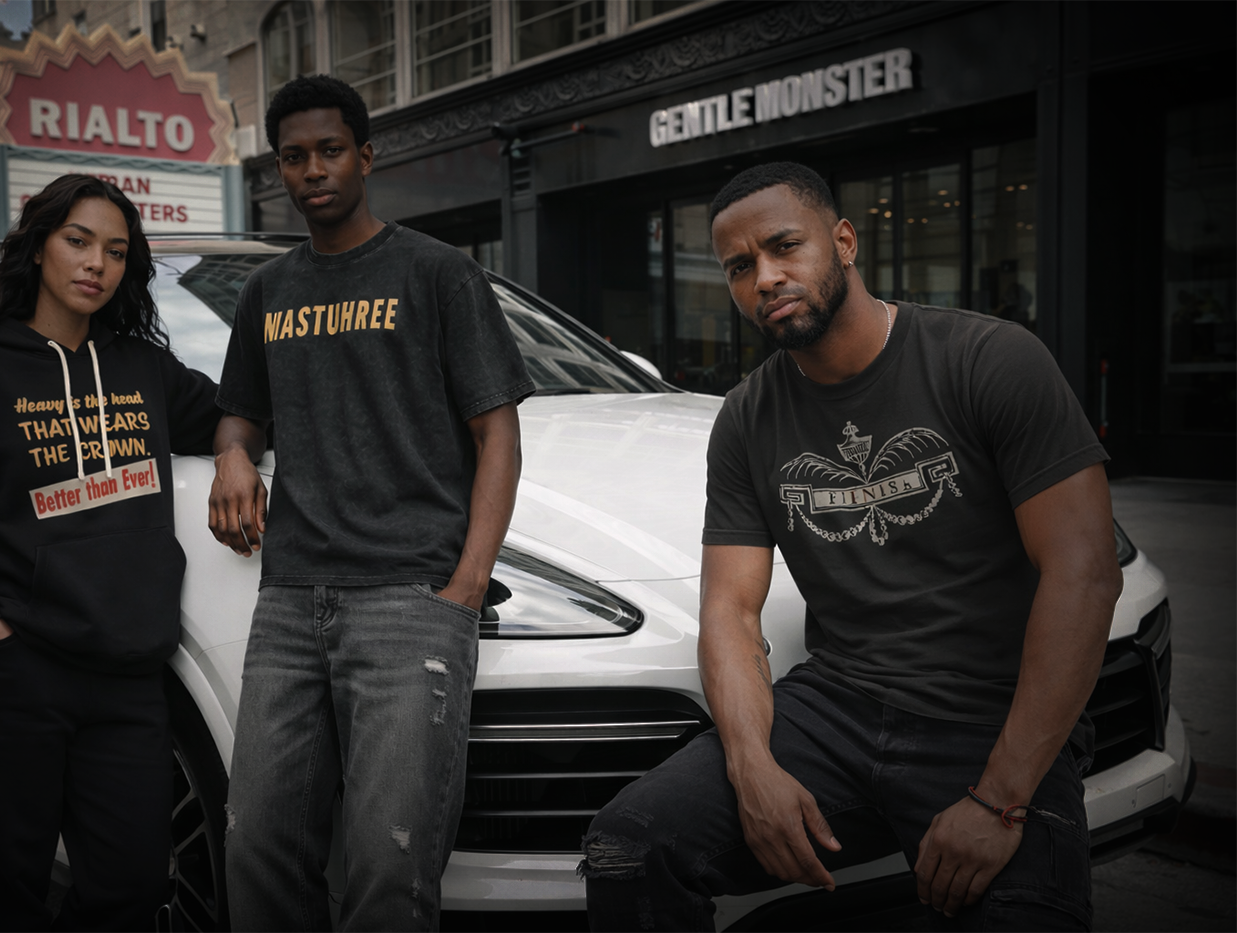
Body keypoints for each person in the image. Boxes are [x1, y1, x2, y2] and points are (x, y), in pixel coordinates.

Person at [580, 162, 1121, 931]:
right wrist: (752, 768)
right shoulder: (747, 418)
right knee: (629, 845)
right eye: (739, 266)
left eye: (784, 246)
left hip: (992, 715)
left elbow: (1084, 574)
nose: (765, 277)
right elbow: (730, 612)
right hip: (836, 705)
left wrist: (1000, 799)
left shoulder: (990, 358)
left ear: (842, 241)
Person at [208, 74, 533, 931]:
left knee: (390, 865)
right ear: (279, 169)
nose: (312, 170)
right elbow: (240, 411)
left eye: (330, 150)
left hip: (409, 598)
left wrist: (465, 588)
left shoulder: (438, 272)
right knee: (256, 844)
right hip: (288, 599)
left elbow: (498, 434)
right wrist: (232, 454)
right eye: (294, 157)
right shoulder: (266, 290)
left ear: (366, 155)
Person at [0, 174, 222, 931]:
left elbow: (239, 414)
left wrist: (232, 454)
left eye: (116, 251)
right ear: (38, 248)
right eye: (78, 241)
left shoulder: (143, 369)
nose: (96, 263)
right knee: (3, 894)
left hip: (126, 677)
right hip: (9, 672)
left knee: (133, 885)